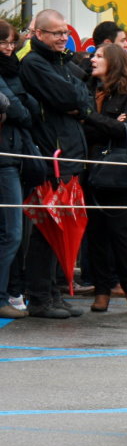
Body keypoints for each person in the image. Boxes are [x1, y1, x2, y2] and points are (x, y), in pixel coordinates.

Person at [19, 9, 92, 320]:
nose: (63, 37)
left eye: (65, 32)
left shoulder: (61, 63)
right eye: (56, 33)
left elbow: (84, 101)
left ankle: (51, 292)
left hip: (67, 154)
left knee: (60, 226)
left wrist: (76, 98)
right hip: (51, 156)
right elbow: (68, 99)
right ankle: (39, 296)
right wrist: (75, 98)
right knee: (45, 228)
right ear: (39, 34)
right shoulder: (34, 63)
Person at [83, 43, 127, 312]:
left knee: (120, 233)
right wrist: (108, 124)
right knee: (96, 233)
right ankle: (101, 291)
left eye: (99, 56)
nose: (92, 59)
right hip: (92, 169)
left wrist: (91, 119)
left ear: (114, 62)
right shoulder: (86, 89)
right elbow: (88, 132)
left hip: (120, 172)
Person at [0, 20, 38, 319]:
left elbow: (25, 109)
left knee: (15, 231)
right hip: (5, 159)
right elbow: (19, 110)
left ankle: (11, 292)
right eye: (4, 42)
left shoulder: (15, 69)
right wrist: (19, 110)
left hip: (15, 154)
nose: (9, 48)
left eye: (12, 42)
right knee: (12, 232)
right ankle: (3, 295)